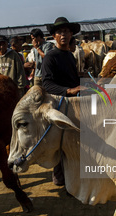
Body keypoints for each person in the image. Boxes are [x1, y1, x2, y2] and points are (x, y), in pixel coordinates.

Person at [42, 17, 85, 185]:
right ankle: (61, 178)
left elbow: (72, 79)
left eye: (66, 31)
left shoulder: (69, 55)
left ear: (71, 34)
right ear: (54, 36)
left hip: (73, 103)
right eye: (59, 32)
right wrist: (69, 90)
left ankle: (69, 176)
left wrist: (82, 82)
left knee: (72, 141)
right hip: (60, 104)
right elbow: (47, 84)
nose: (63, 35)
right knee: (62, 142)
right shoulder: (50, 57)